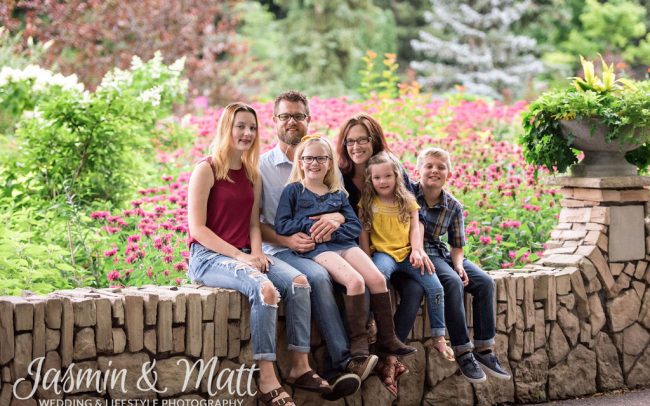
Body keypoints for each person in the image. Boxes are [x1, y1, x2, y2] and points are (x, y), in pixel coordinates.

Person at [187, 102, 330, 406]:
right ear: (227, 128)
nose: (247, 133)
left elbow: (254, 223)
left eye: (252, 127)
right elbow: (198, 229)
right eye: (240, 126)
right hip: (208, 257)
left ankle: (299, 367)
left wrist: (255, 252)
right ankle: (266, 380)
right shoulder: (207, 168)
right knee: (265, 290)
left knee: (300, 282)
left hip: (243, 253)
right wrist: (241, 257)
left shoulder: (252, 174)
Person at [258, 91, 374, 401]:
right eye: (285, 116)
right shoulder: (260, 167)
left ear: (308, 120)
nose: (292, 121)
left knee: (356, 275)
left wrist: (336, 217)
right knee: (319, 278)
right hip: (279, 249)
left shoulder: (321, 164)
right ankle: (341, 362)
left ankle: (355, 352)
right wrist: (285, 239)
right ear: (275, 121)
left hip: (319, 246)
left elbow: (342, 205)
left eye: (298, 116)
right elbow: (253, 223)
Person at [275, 136, 416, 363]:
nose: (314, 163)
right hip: (319, 249)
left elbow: (354, 226)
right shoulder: (293, 191)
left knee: (378, 279)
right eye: (308, 158)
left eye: (321, 158)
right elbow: (282, 225)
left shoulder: (338, 193)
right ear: (300, 162)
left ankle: (388, 338)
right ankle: (358, 340)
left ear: (330, 163)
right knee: (355, 281)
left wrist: (335, 228)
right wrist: (310, 226)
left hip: (344, 244)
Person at [335, 113, 426, 395]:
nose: (357, 146)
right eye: (350, 141)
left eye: (363, 139)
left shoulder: (392, 167)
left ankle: (390, 355)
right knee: (376, 278)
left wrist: (418, 249)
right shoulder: (340, 175)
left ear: (374, 140)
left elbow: (414, 214)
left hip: (397, 250)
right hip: (357, 252)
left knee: (414, 289)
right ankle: (380, 349)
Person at [414, 147, 512, 383]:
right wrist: (454, 271)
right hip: (421, 253)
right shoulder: (409, 195)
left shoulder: (453, 205)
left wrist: (459, 265)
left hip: (443, 252)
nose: (434, 171)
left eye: (441, 167)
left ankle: (484, 348)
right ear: (418, 170)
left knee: (484, 282)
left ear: (449, 173)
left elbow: (457, 245)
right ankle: (462, 350)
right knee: (452, 281)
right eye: (429, 166)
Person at [358, 152, 454, 364]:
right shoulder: (367, 203)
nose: (383, 181)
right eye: (377, 178)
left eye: (388, 176)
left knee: (435, 286)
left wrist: (417, 250)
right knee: (378, 276)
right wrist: (365, 257)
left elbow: (415, 228)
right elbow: (363, 231)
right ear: (370, 180)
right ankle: (372, 321)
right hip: (384, 254)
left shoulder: (407, 201)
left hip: (407, 254)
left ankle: (439, 335)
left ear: (396, 177)